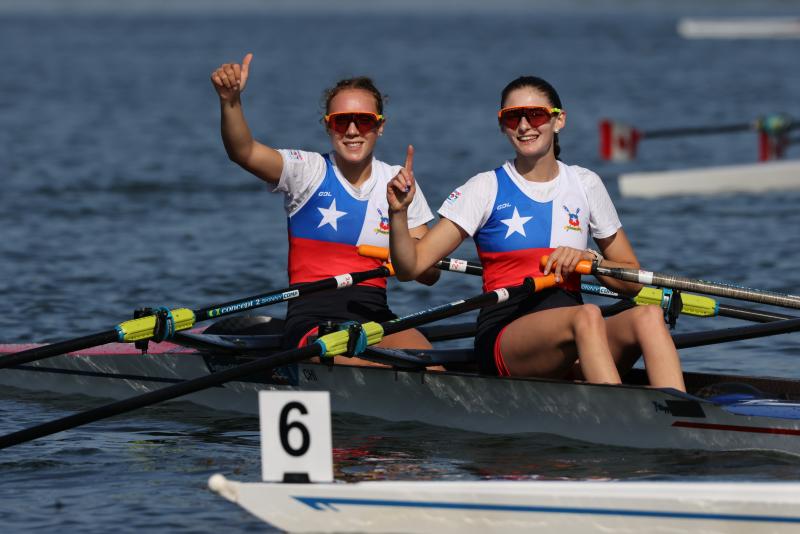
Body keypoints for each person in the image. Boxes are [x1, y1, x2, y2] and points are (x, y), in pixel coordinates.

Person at [387, 75, 685, 390]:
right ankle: (619, 421)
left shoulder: (585, 184)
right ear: (503, 126)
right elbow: (412, 267)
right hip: (506, 335)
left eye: (537, 114)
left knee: (649, 315)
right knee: (587, 316)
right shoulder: (485, 188)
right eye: (513, 117)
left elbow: (632, 279)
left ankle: (680, 416)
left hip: (577, 332)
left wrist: (590, 259)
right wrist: (398, 212)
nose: (525, 125)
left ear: (559, 120)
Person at [210, 53, 438, 363]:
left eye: (365, 121)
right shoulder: (309, 171)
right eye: (342, 121)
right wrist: (230, 101)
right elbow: (244, 152)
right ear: (328, 127)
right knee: (366, 364)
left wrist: (400, 227)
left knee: (431, 363)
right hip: (311, 321)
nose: (353, 130)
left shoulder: (399, 182)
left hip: (376, 317)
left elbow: (430, 276)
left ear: (380, 127)